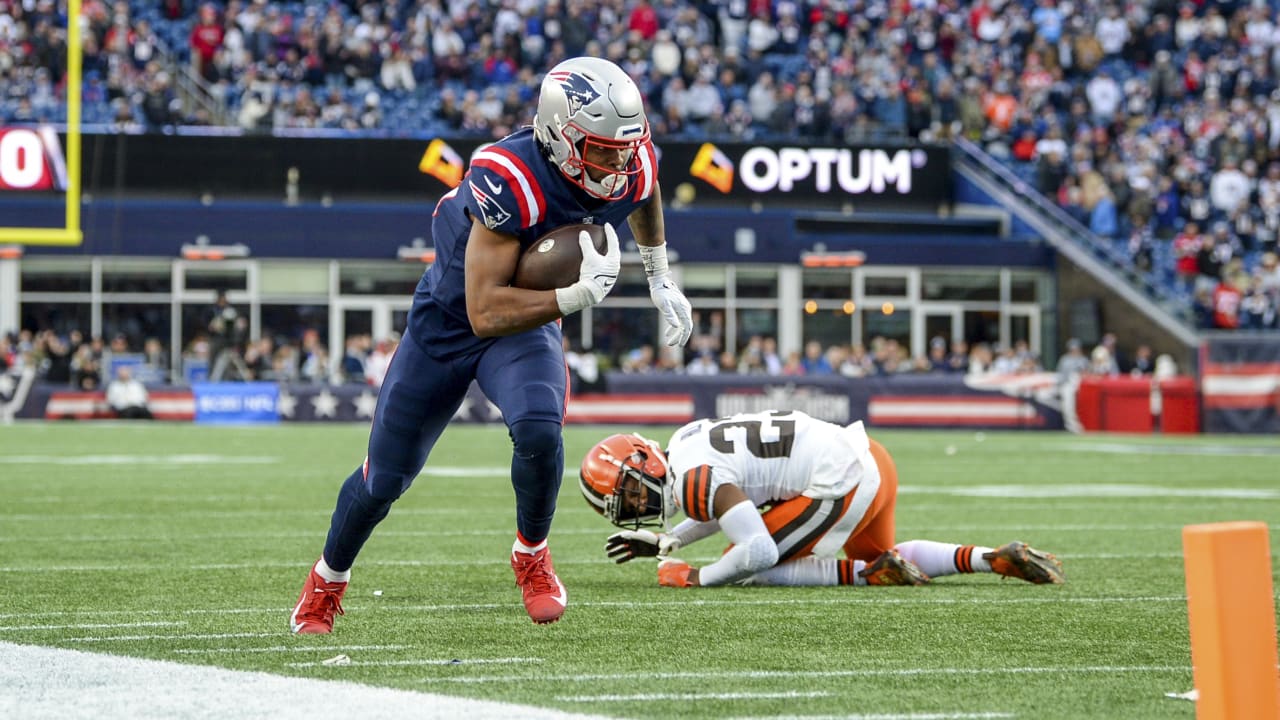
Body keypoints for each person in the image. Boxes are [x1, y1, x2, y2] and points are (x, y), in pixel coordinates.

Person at [290, 57, 694, 633]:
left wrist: (659, 275)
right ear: (560, 135)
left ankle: (531, 552)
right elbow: (483, 310)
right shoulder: (510, 175)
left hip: (523, 325)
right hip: (451, 323)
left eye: (625, 148)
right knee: (383, 480)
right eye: (602, 150)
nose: (618, 162)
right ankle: (327, 580)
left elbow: (645, 186)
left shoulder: (630, 155)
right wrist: (576, 298)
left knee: (537, 428)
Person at [580, 410, 1064, 588]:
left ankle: (868, 577)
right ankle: (989, 559)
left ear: (645, 459)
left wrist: (697, 577)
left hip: (841, 481)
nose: (636, 505)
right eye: (623, 505)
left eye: (630, 491)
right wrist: (671, 542)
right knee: (880, 556)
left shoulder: (692, 479)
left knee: (746, 563)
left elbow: (757, 548)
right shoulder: (687, 441)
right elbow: (725, 503)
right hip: (871, 457)